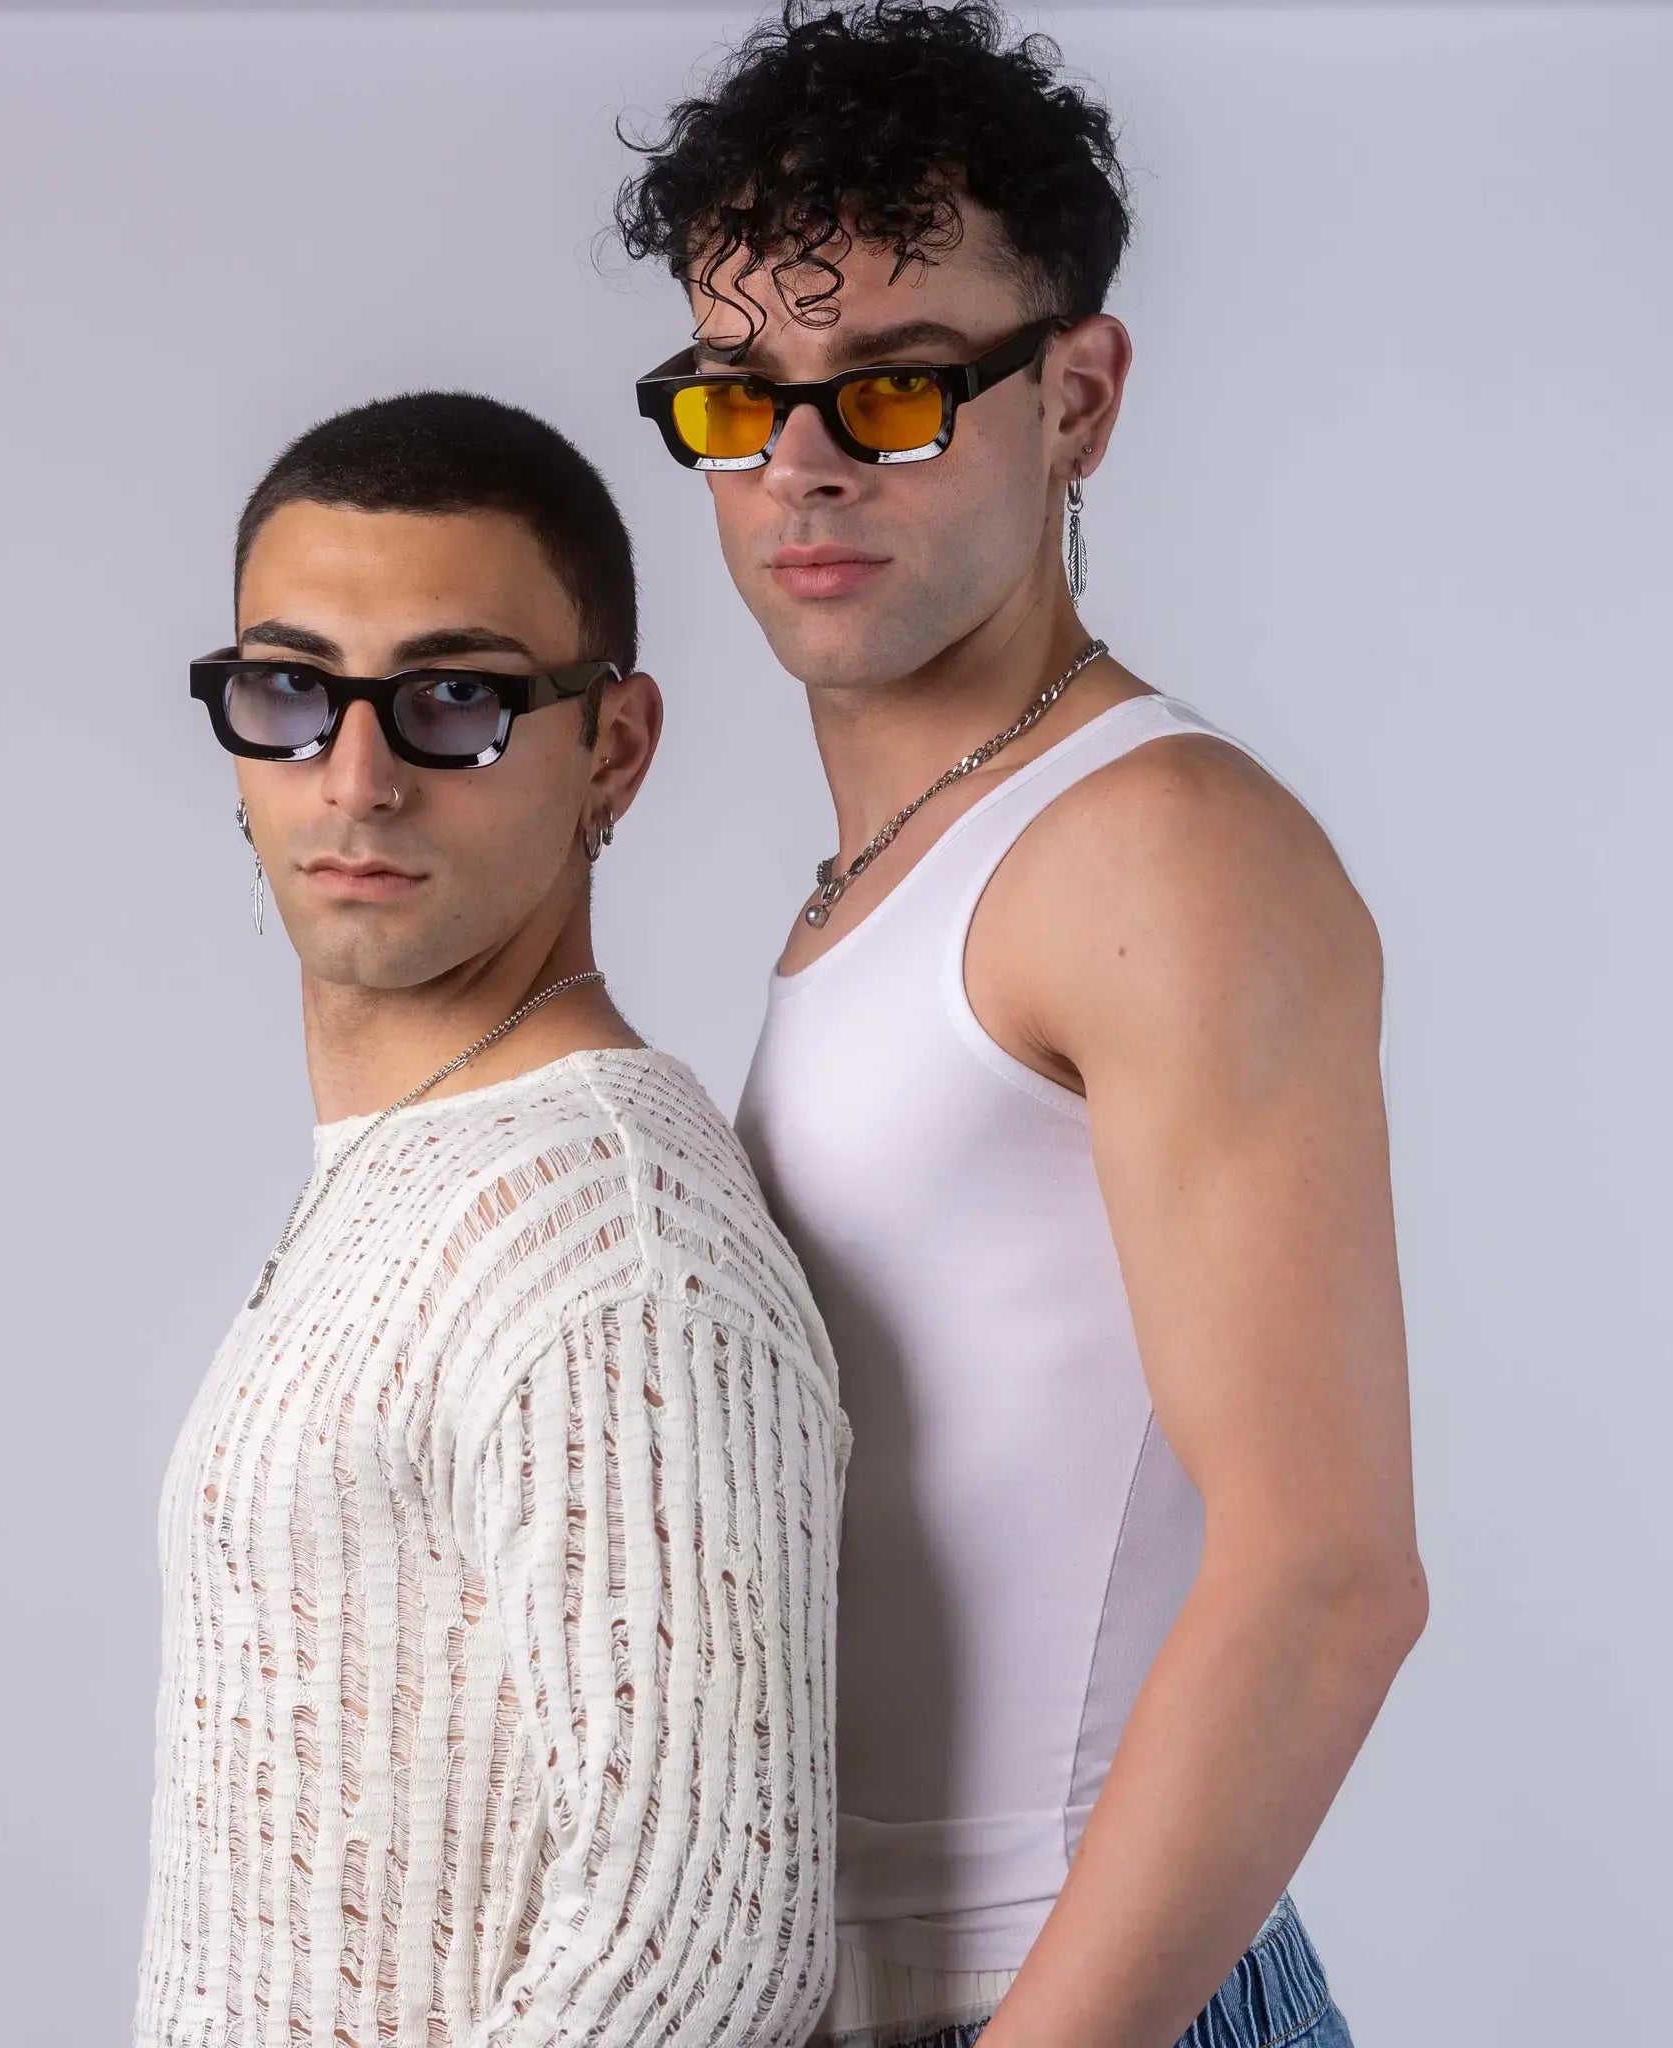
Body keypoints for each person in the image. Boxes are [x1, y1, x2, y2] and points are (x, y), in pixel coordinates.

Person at [616, 7, 1426, 2047]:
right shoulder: (893, 875)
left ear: (1076, 397)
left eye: (889, 391)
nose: (798, 465)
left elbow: (1328, 1576)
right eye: (737, 401)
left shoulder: (1156, 848)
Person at [134, 392, 847, 2047]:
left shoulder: (609, 1230)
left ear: (614, 745)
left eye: (454, 697)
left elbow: (703, 1952)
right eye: (292, 690)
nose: (358, 778)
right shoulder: (427, 1169)